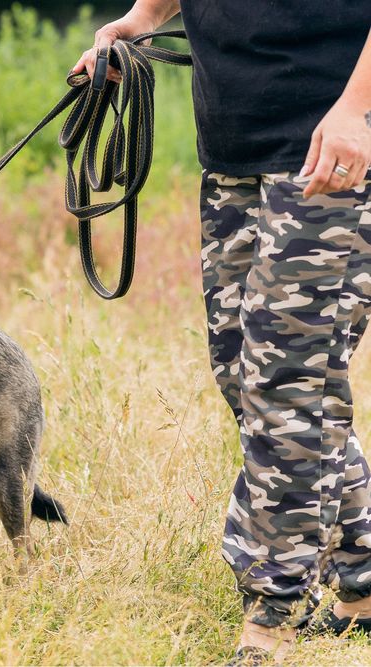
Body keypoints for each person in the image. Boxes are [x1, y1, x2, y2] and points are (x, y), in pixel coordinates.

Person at [74, 0, 371, 662]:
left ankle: (273, 612)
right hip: (234, 145)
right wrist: (140, 20)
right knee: (244, 374)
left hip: (338, 147)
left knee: (285, 385)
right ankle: (362, 573)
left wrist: (358, 109)